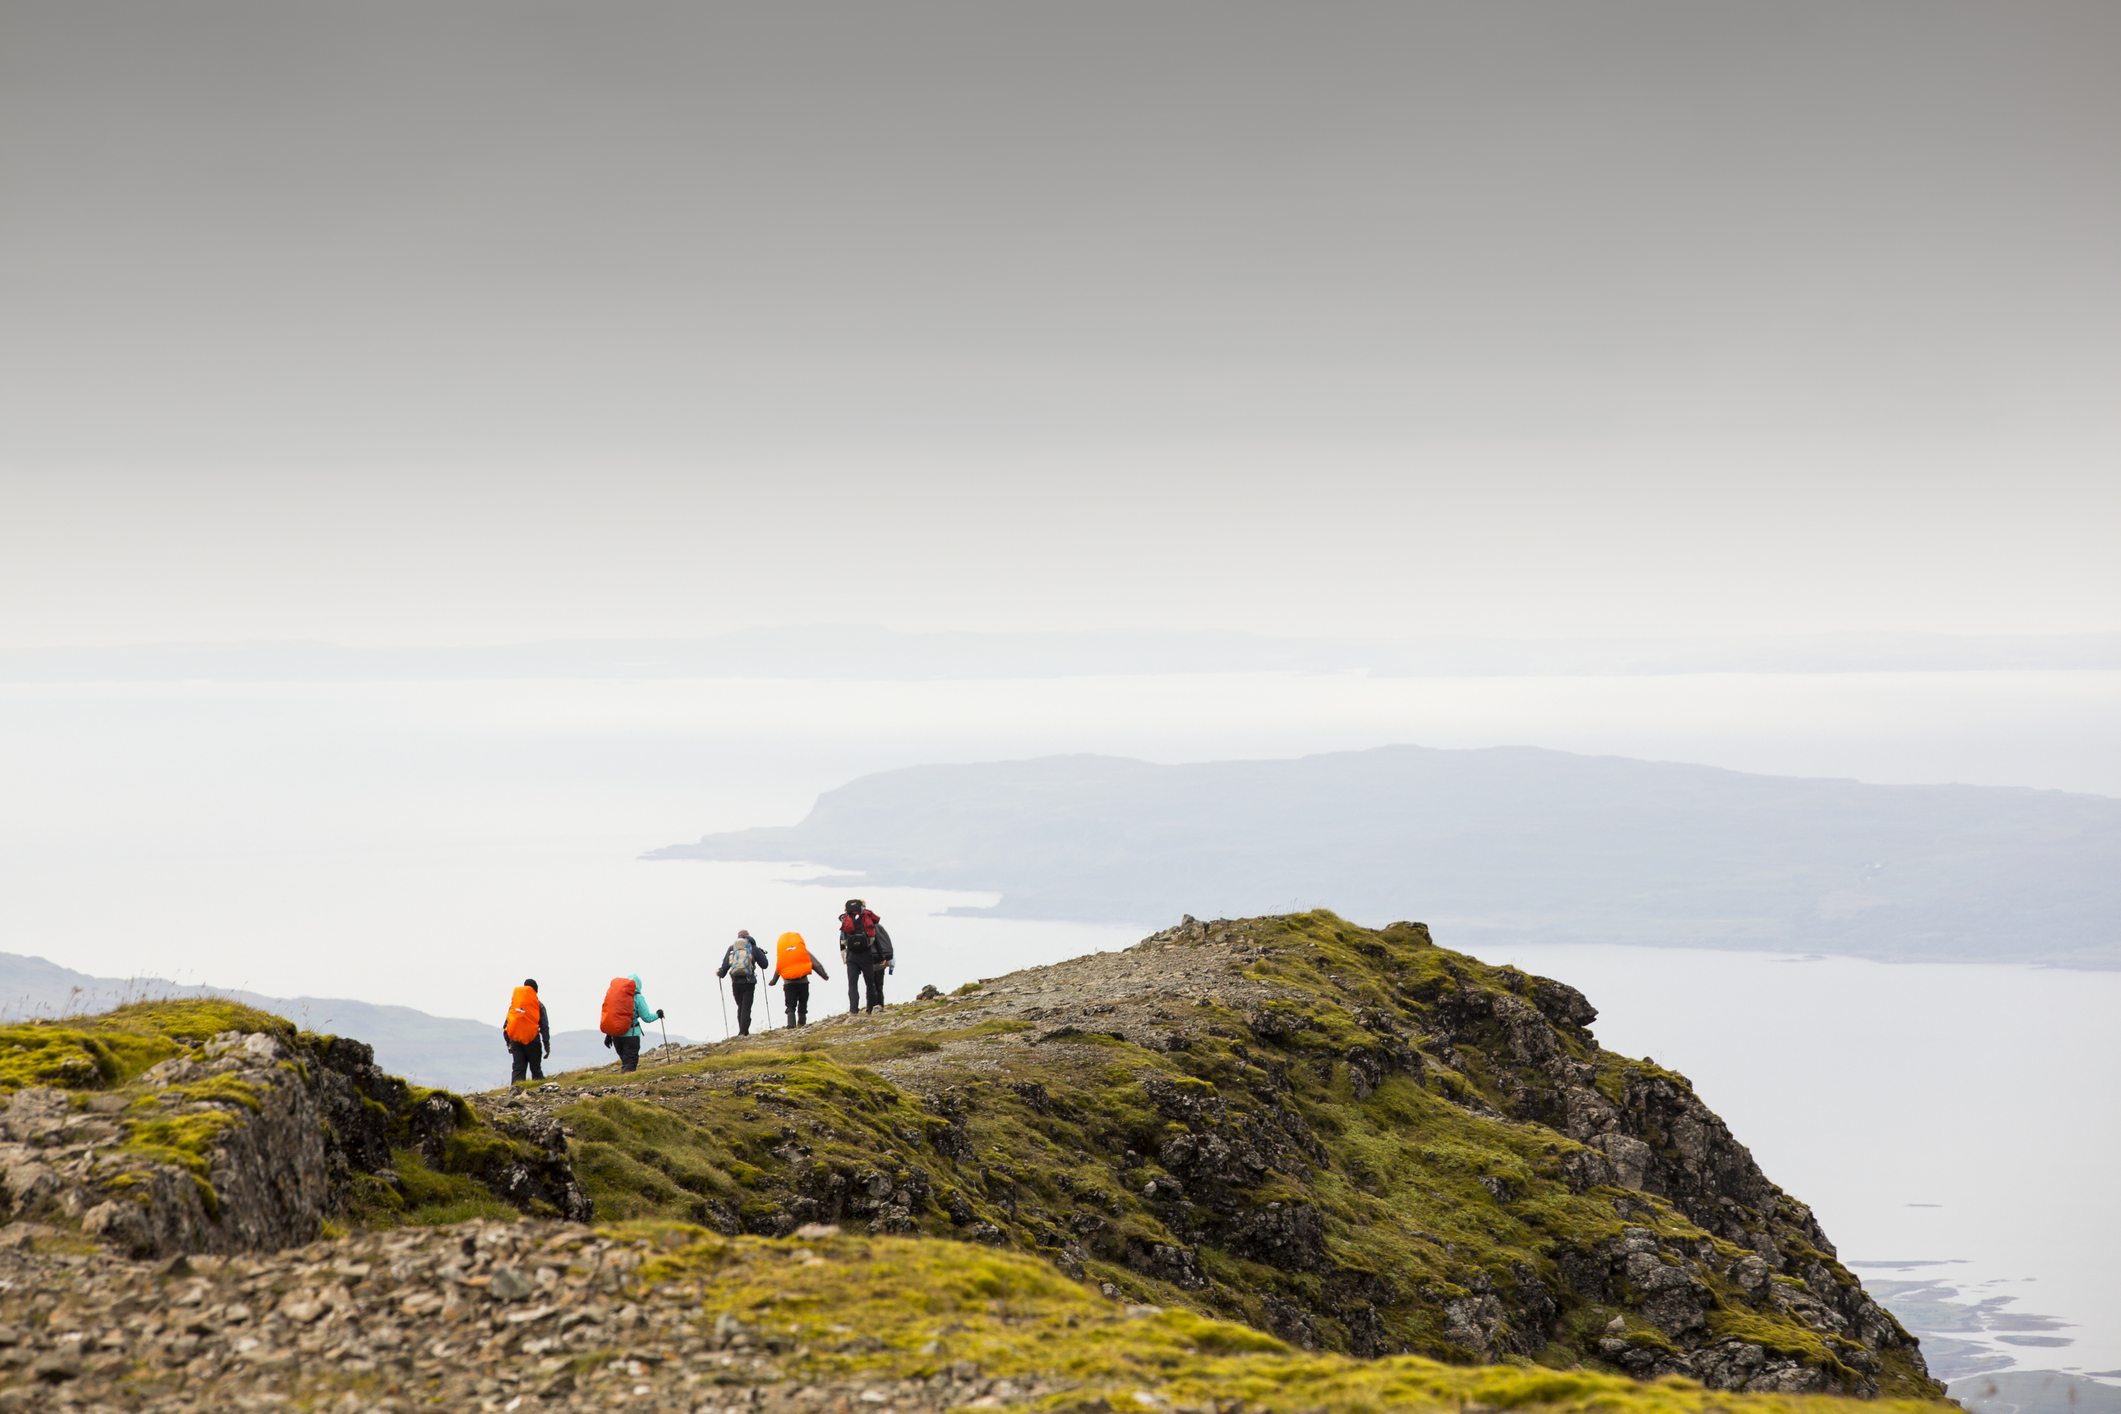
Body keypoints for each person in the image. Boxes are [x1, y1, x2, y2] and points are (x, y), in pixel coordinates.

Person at [600, 973, 662, 1073]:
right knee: (630, 1064)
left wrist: (609, 1035)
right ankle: (627, 1085)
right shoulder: (638, 997)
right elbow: (647, 1017)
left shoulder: (618, 997)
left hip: (616, 1035)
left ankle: (624, 1083)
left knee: (625, 1062)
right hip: (631, 1035)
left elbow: (615, 1016)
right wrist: (658, 1015)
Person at [717, 929, 771, 1037]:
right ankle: (744, 1031)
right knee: (746, 1007)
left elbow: (725, 966)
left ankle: (742, 1031)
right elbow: (764, 965)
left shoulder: (732, 948)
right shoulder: (752, 948)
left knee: (740, 1006)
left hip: (736, 982)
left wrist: (720, 973)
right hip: (749, 981)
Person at [770, 931, 828, 1028]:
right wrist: (824, 975)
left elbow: (779, 968)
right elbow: (815, 963)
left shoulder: (784, 953)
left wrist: (773, 981)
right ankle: (802, 1023)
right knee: (802, 1002)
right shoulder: (802, 951)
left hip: (788, 983)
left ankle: (791, 1025)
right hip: (803, 982)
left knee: (790, 1005)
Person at [839, 899, 887, 1014]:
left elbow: (842, 940)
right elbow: (875, 939)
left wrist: (844, 957)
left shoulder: (846, 920)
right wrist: (881, 957)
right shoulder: (866, 918)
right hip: (866, 955)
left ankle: (853, 1010)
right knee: (870, 984)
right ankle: (870, 1009)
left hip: (852, 956)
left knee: (852, 984)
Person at [502, 978, 551, 1084]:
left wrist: (509, 1043)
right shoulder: (538, 1005)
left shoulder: (515, 1005)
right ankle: (538, 1093)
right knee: (535, 1069)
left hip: (516, 1040)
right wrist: (546, 1044)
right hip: (532, 1040)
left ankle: (515, 1094)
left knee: (518, 1070)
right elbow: (544, 1026)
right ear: (535, 991)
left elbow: (507, 1025)